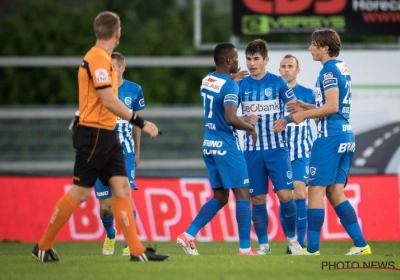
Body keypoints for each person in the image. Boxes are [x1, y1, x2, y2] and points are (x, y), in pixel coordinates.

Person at [31, 11, 169, 263]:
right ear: (117, 33)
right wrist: (141, 121)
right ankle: (43, 245)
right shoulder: (97, 59)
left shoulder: (103, 59)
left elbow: (95, 98)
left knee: (122, 188)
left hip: (107, 135)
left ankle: (136, 250)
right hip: (94, 134)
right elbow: (107, 100)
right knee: (81, 193)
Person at [289, 28, 371, 255]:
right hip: (345, 135)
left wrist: (304, 115)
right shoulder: (341, 68)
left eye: (314, 44)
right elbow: (332, 106)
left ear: (325, 48)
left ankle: (312, 250)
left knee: (315, 190)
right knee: (335, 192)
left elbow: (332, 107)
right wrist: (307, 107)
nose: (310, 48)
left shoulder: (327, 72)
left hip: (329, 138)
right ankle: (361, 245)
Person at [176, 42, 259, 256]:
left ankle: (188, 235)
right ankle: (245, 249)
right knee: (242, 195)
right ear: (229, 60)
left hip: (209, 145)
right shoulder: (230, 86)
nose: (240, 63)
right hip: (226, 145)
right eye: (237, 59)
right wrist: (250, 127)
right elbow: (231, 118)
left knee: (221, 197)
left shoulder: (207, 80)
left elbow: (219, 95)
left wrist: (231, 80)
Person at [237, 39, 303, 255]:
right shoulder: (239, 85)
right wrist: (244, 117)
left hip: (277, 150)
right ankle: (264, 245)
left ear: (266, 60)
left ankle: (292, 240)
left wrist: (286, 119)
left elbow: (296, 110)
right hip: (251, 151)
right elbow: (227, 115)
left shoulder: (278, 83)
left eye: (256, 59)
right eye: (248, 59)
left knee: (285, 195)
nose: (252, 64)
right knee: (257, 199)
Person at [94, 52, 145, 256]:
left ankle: (129, 242)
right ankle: (110, 233)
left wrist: (138, 151)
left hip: (125, 151)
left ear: (122, 68)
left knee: (125, 196)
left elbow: (137, 123)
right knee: (106, 207)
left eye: (112, 68)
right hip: (101, 152)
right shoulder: (99, 90)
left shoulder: (134, 90)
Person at [278, 54, 315, 253]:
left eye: (290, 66)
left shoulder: (308, 94)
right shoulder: (273, 94)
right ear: (279, 70)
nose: (286, 69)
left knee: (300, 189)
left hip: (301, 152)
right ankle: (291, 242)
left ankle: (301, 242)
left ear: (297, 70)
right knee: (284, 197)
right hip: (279, 153)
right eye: (283, 66)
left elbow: (322, 112)